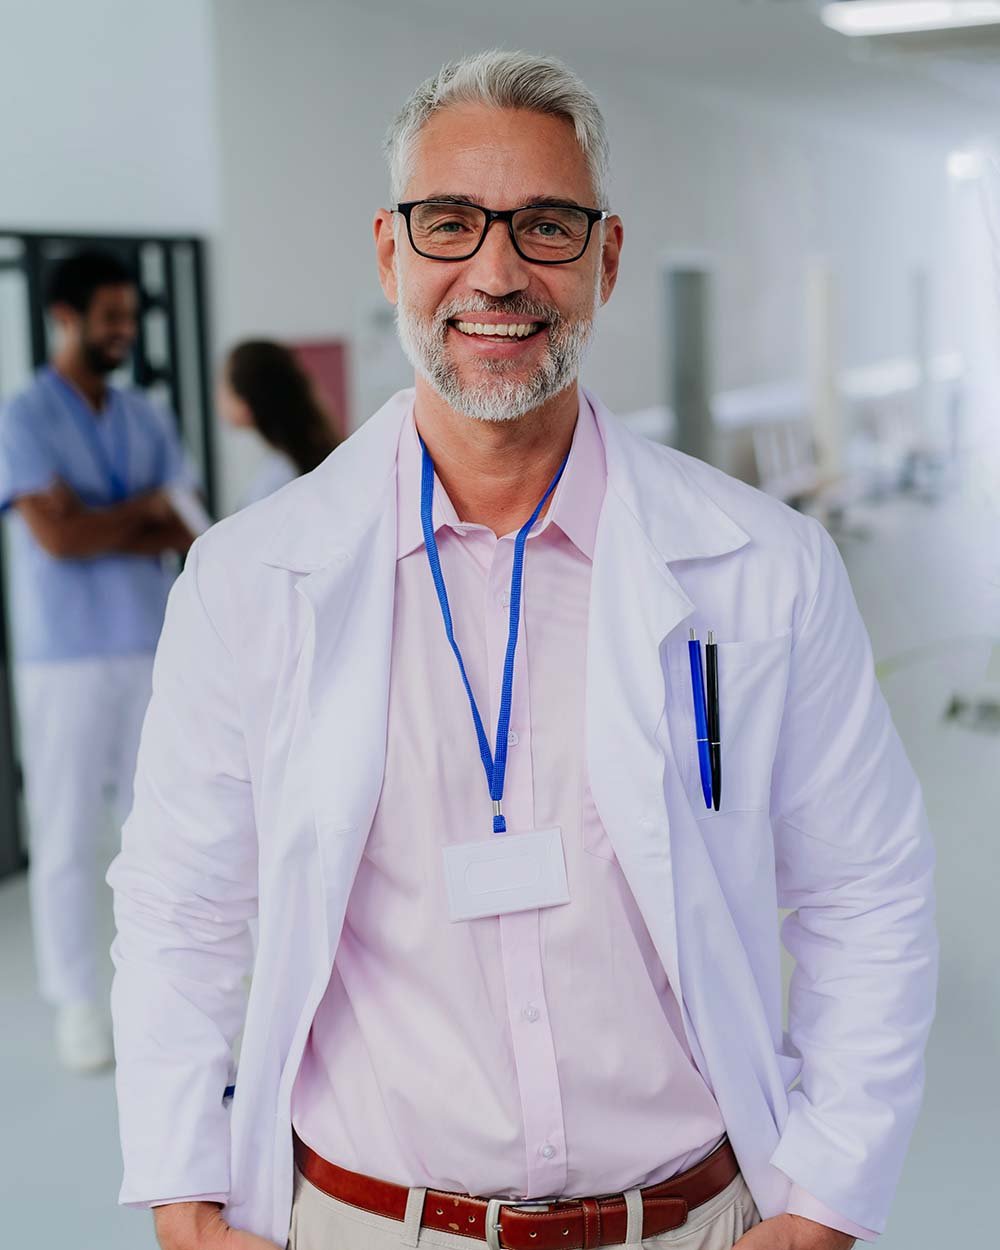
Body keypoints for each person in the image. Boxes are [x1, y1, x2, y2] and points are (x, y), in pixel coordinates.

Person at [109, 51, 937, 1250]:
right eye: (450, 223)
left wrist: (822, 1202)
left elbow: (866, 893)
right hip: (367, 1222)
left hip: (694, 1221)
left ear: (604, 260)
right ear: (391, 251)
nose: (495, 271)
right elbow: (182, 903)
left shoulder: (764, 563)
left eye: (546, 226)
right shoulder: (249, 578)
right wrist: (185, 1197)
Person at [0, 248, 197, 1072]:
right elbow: (57, 537)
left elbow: (185, 529)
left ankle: (161, 994)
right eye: (111, 317)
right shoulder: (23, 416)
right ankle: (78, 1002)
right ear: (66, 318)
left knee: (156, 830)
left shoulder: (146, 415)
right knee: (68, 830)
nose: (126, 331)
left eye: (130, 316)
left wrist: (102, 518)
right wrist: (136, 513)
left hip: (148, 644)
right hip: (65, 658)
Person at [216, 339, 338, 507]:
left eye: (224, 384)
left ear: (248, 400)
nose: (218, 397)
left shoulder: (279, 478)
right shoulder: (293, 461)